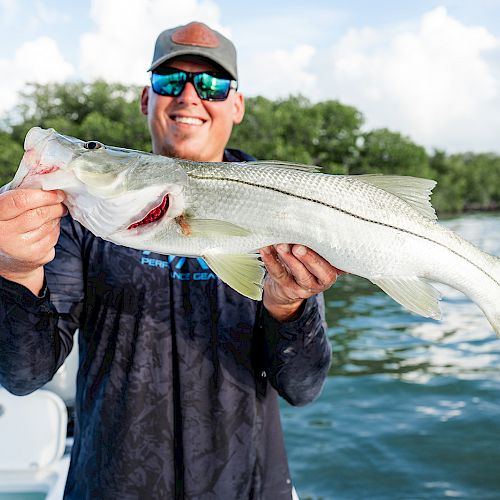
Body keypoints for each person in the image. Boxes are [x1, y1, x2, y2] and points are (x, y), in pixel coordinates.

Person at [0, 22, 340, 499]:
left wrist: (289, 308)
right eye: (169, 81)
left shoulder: (280, 207)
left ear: (237, 106)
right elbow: (24, 375)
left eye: (213, 84)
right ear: (146, 98)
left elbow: (302, 388)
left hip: (249, 487)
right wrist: (15, 272)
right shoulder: (83, 219)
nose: (188, 96)